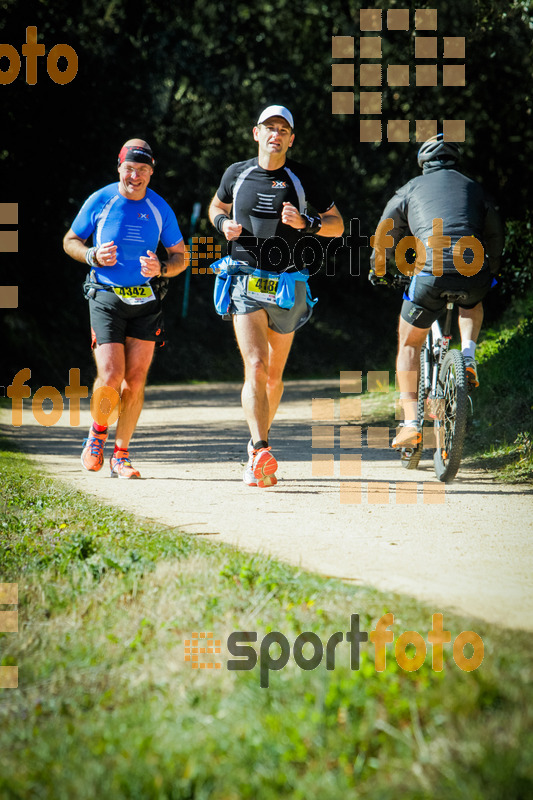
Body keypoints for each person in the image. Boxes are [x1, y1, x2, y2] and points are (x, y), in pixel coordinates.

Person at [208, 105, 344, 487]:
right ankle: (260, 448)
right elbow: (215, 206)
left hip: (287, 283)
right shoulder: (237, 173)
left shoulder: (303, 177)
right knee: (255, 365)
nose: (276, 134)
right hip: (245, 278)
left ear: (291, 138)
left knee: (274, 378)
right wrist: (222, 223)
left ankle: (256, 452)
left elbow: (337, 225)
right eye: (270, 127)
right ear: (257, 133)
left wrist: (308, 223)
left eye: (283, 129)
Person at [369, 133, 504, 448]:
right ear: (455, 160)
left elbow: (384, 233)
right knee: (473, 301)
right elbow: (496, 232)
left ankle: (410, 423)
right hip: (474, 270)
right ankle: (468, 356)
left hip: (430, 275)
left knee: (409, 344)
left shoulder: (410, 188)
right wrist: (492, 271)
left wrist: (379, 269)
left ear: (424, 162)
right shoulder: (474, 187)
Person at [63, 138, 186, 478]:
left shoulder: (160, 207)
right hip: (105, 295)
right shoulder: (101, 200)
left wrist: (161, 267)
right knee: (111, 373)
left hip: (145, 300)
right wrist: (91, 255)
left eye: (143, 170)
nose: (136, 176)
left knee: (135, 379)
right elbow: (70, 240)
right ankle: (97, 435)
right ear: (119, 167)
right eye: (130, 168)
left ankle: (121, 455)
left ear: (150, 173)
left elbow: (181, 256)